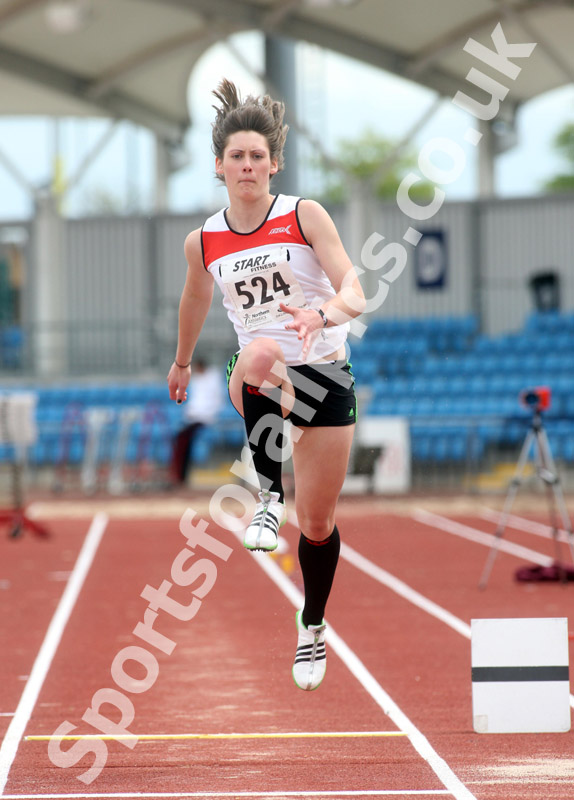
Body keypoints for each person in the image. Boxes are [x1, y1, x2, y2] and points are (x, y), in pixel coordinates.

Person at [167, 78, 365, 691]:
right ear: (219, 167)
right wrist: (180, 361)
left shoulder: (304, 215)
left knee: (318, 526)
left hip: (324, 373)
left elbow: (356, 290)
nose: (247, 166)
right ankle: (267, 498)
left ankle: (312, 625)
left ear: (274, 163)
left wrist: (322, 314)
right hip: (261, 374)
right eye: (236, 156)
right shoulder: (204, 241)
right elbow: (196, 298)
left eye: (258, 156)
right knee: (254, 353)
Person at [170, 357, 223, 486]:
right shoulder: (197, 380)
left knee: (183, 438)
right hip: (194, 417)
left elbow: (215, 401)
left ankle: (180, 475)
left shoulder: (212, 378)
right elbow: (195, 402)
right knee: (181, 438)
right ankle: (179, 474)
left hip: (204, 417)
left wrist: (202, 414)